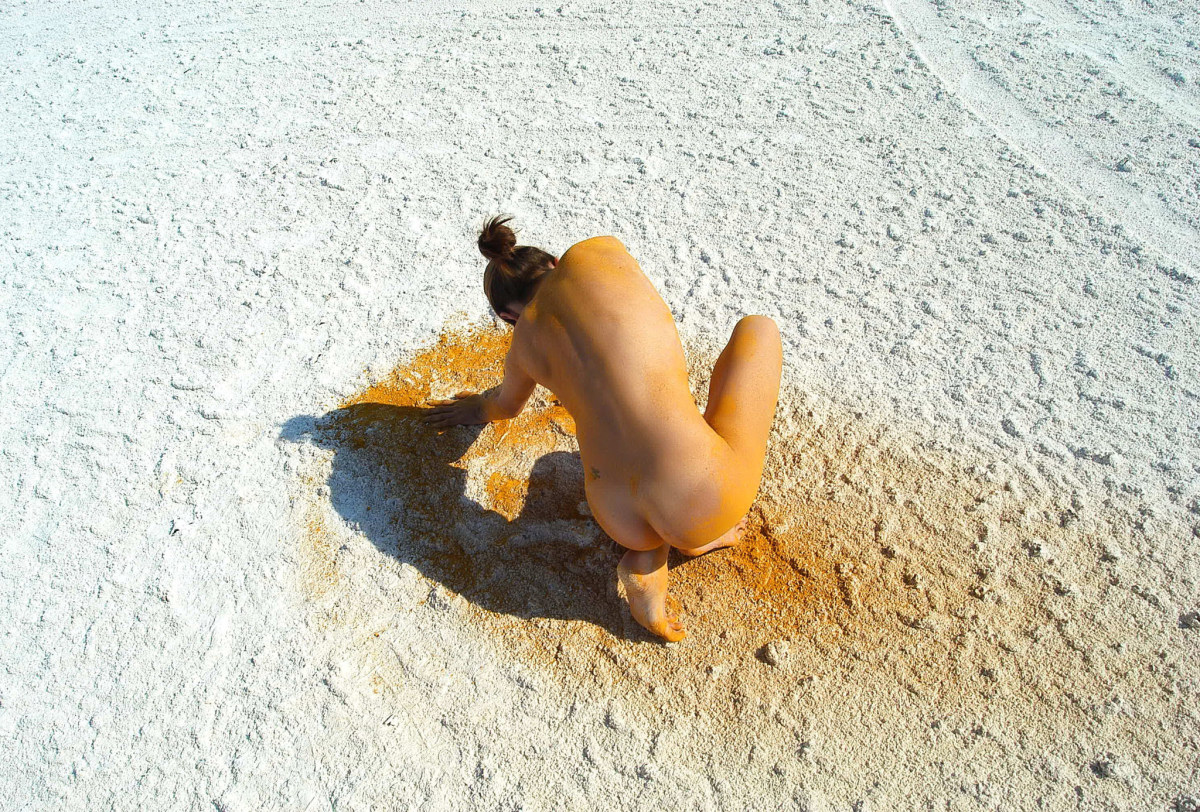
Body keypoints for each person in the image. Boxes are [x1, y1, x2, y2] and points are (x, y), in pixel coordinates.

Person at [424, 216, 782, 641]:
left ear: (508, 317)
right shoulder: (597, 251)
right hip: (705, 494)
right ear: (554, 263)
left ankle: (647, 553)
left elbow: (502, 407)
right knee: (758, 329)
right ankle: (697, 532)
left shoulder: (521, 348)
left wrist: (473, 408)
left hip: (616, 516)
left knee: (624, 452)